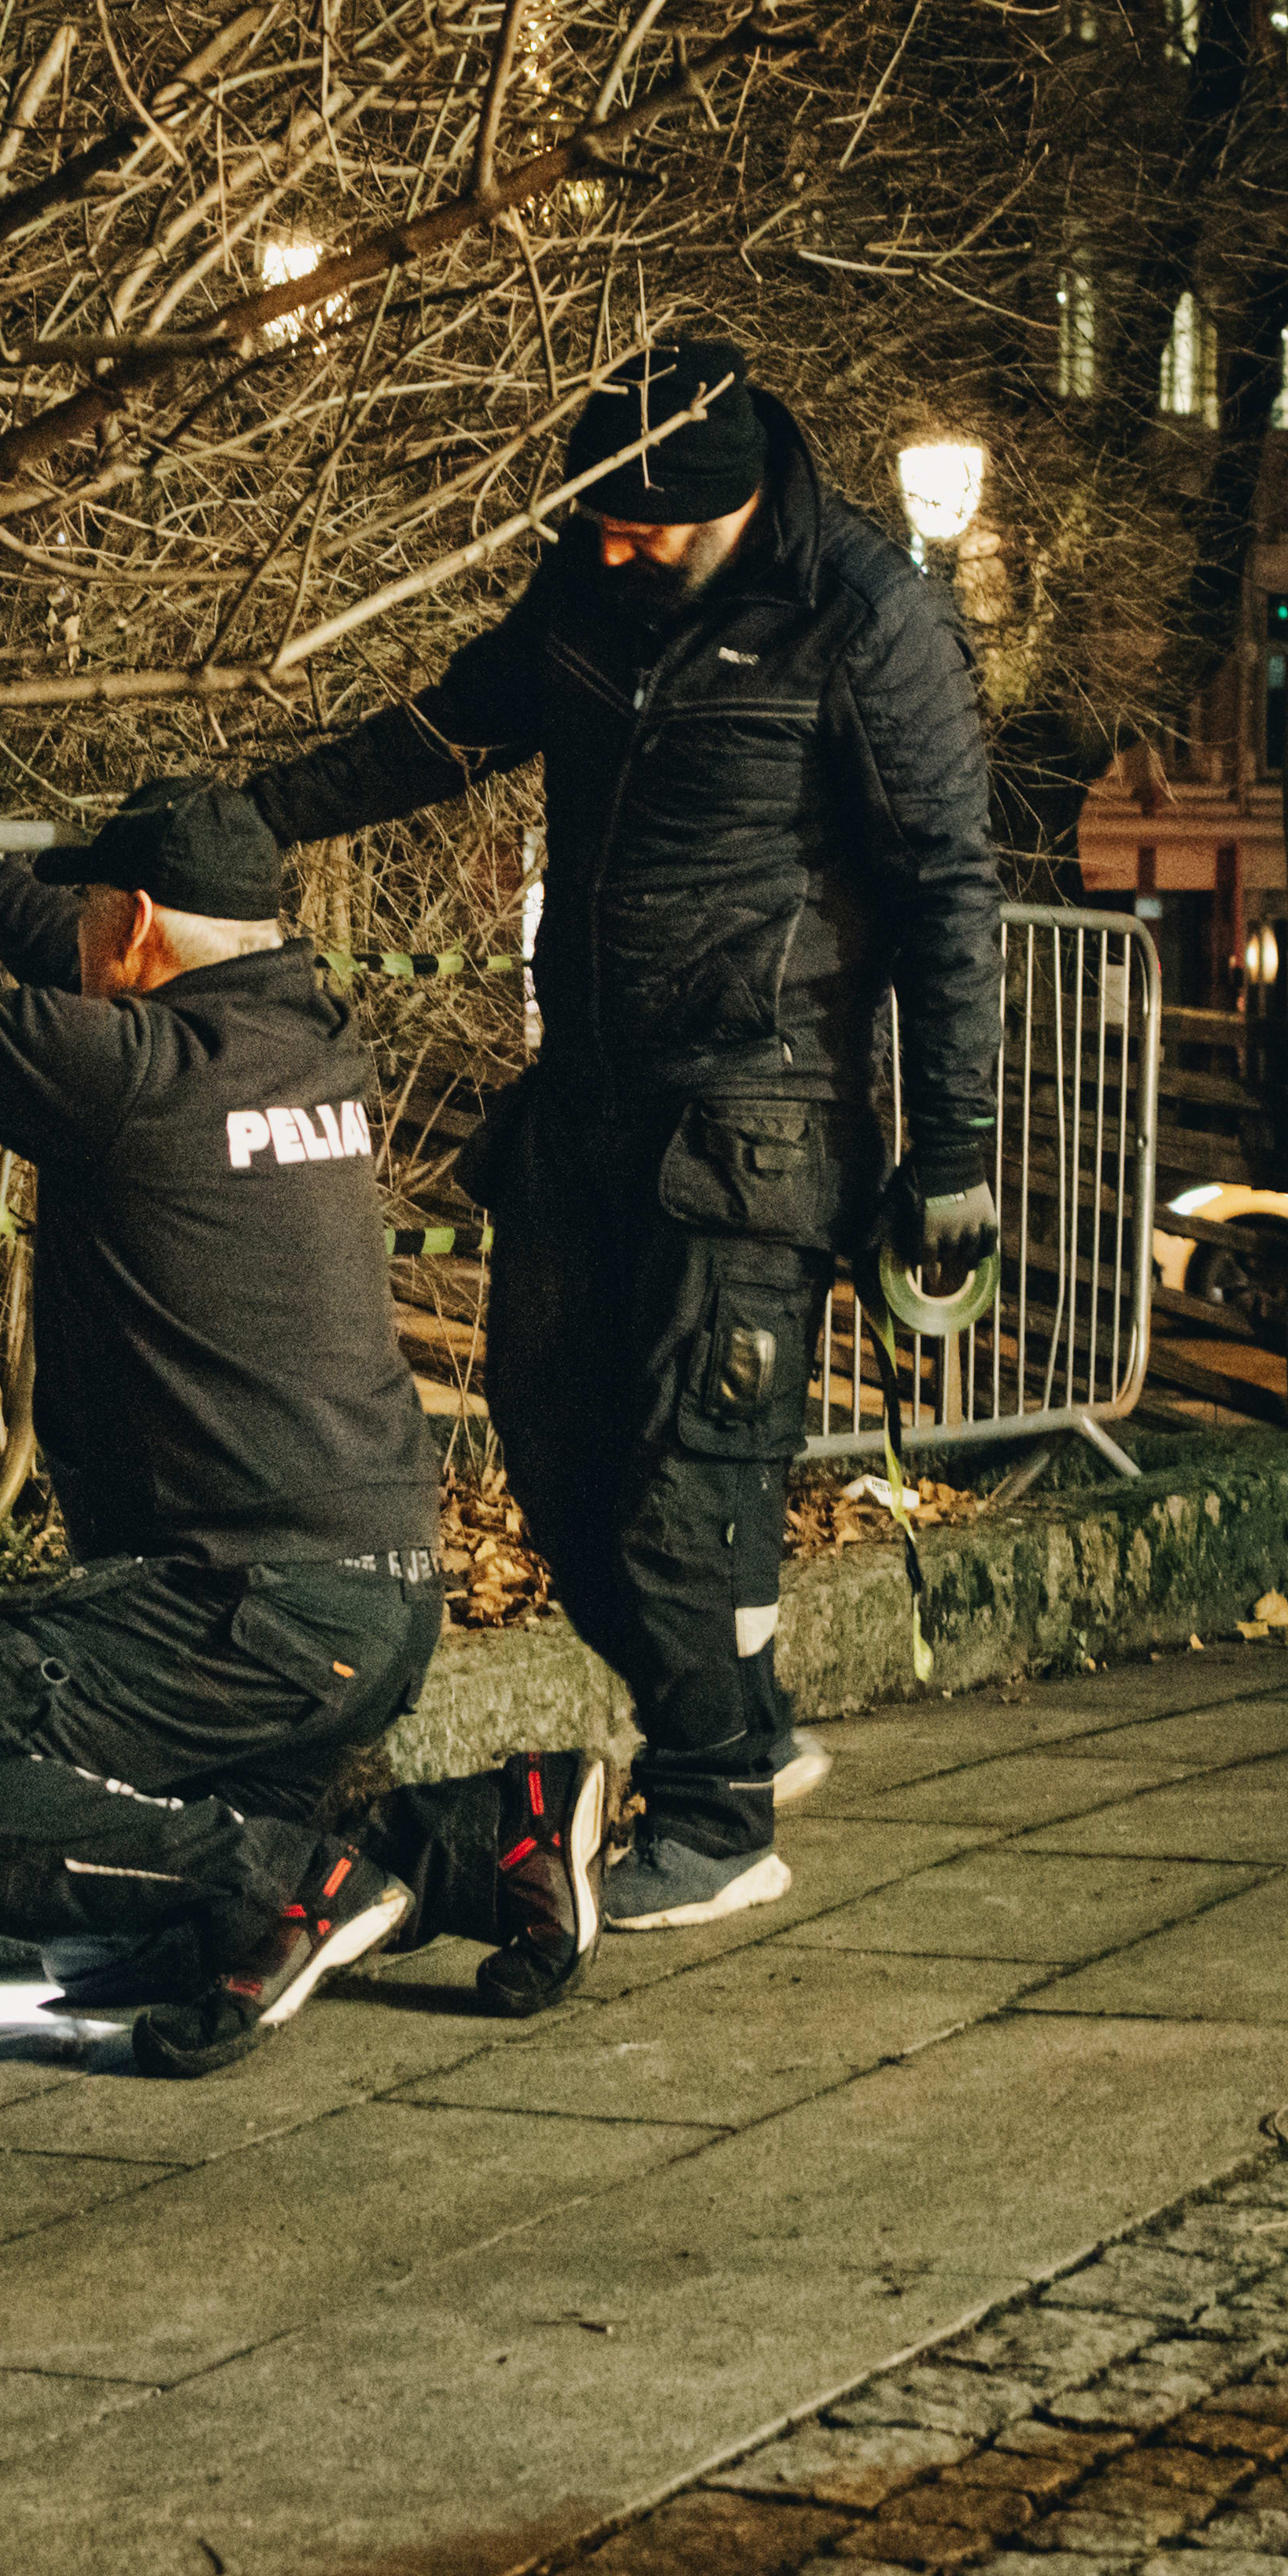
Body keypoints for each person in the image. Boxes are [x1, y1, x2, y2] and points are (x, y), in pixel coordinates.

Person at [231, 335, 1003, 1931]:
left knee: (685, 1485)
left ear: (720, 507)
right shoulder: (585, 591)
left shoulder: (859, 614)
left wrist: (953, 1153)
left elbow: (945, 891)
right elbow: (442, 733)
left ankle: (715, 1810)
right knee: (549, 1442)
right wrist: (233, 822)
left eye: (636, 523)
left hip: (757, 1117)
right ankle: (743, 1727)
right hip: (580, 1102)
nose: (604, 546)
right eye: (591, 518)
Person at [0, 767, 615, 2071]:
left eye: (95, 923)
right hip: (378, 1604)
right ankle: (490, 1839)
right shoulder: (309, 1031)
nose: (74, 948)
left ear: (136, 922)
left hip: (236, 1611)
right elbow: (89, 956)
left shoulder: (131, 1076)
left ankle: (282, 1889)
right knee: (138, 1940)